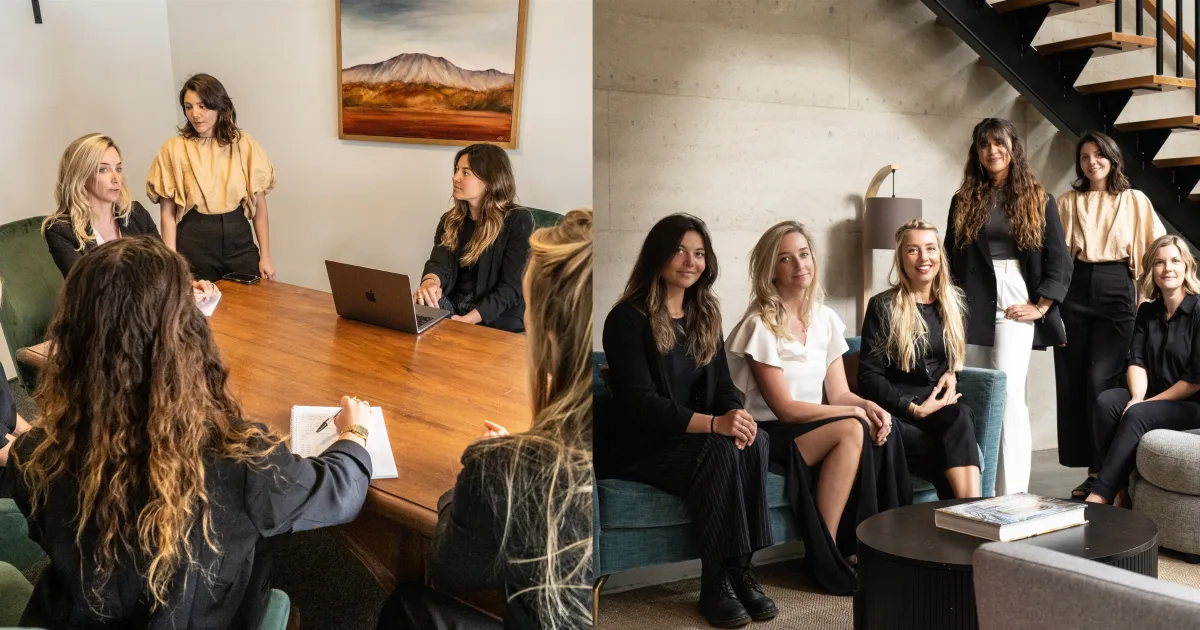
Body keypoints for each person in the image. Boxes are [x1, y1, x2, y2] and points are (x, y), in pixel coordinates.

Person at [10, 236, 372, 628]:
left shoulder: (35, 457)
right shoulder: (239, 459)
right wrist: (354, 432)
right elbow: (339, 492)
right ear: (185, 337)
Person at [378, 209, 594, 629]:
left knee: (407, 605)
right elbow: (440, 261)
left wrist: (480, 472)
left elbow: (448, 569)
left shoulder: (506, 468)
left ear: (548, 334)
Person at [597, 214, 774, 628]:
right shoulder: (626, 319)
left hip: (692, 440)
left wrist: (735, 415)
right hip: (642, 445)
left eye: (699, 253)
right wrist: (713, 425)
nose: (690, 261)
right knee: (718, 450)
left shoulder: (705, 313)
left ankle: (740, 571)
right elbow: (642, 405)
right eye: (679, 250)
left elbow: (725, 386)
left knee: (757, 441)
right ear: (657, 255)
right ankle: (715, 585)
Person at [725, 220, 910, 597]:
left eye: (804, 254)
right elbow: (786, 409)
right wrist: (852, 415)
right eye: (785, 259)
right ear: (771, 270)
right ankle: (823, 556)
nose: (799, 265)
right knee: (852, 428)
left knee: (879, 427)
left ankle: (877, 548)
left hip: (811, 426)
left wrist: (868, 406)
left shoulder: (824, 319)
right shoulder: (760, 325)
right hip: (768, 434)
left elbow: (839, 394)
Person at [944, 117, 1071, 495]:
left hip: (1015, 298)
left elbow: (1059, 260)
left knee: (1009, 393)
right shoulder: (963, 200)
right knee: (976, 391)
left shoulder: (1039, 198)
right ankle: (980, 489)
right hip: (972, 301)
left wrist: (1042, 306)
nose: (992, 151)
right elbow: (949, 258)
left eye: (999, 143)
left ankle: (1013, 492)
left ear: (1013, 147)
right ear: (977, 152)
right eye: (984, 144)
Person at [1054, 130, 1166, 500]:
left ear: (1112, 158)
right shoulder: (1068, 201)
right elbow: (1054, 254)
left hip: (1117, 287)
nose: (1092, 162)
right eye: (1085, 157)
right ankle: (1092, 471)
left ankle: (1108, 472)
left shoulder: (1134, 200)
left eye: (1099, 155)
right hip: (1074, 289)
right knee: (1073, 382)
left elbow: (1153, 251)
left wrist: (1145, 299)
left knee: (1102, 382)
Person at [859, 219, 981, 500]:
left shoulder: (955, 301)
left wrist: (953, 373)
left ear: (940, 254)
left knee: (961, 415)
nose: (924, 257)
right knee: (943, 447)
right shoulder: (883, 305)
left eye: (930, 248)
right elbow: (868, 377)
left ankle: (971, 510)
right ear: (901, 259)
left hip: (939, 411)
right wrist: (914, 409)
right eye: (913, 250)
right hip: (900, 415)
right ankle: (968, 512)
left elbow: (951, 358)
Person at [1086, 234, 1200, 506]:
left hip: (1193, 403)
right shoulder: (1148, 312)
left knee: (1137, 413)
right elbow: (1136, 360)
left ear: (1186, 266)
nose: (1167, 268)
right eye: (1159, 262)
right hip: (1154, 397)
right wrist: (1137, 396)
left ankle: (1099, 495)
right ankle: (1120, 490)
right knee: (1106, 402)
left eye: (1175, 261)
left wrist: (1146, 404)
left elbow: (1194, 381)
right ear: (1152, 269)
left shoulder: (1199, 310)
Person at [42, 133, 216, 299]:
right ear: (80, 175)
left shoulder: (135, 214)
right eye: (103, 169)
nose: (116, 178)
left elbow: (165, 265)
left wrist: (188, 284)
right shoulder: (60, 229)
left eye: (118, 168)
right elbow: (89, 290)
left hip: (147, 309)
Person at [147, 73, 277, 282]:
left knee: (252, 299)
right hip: (194, 241)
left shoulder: (244, 144)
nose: (195, 114)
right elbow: (167, 214)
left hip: (239, 240)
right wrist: (172, 263)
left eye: (202, 106)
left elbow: (260, 207)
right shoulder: (173, 149)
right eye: (188, 107)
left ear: (219, 106)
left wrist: (266, 256)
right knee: (202, 301)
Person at [413, 144, 534, 333]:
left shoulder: (518, 220)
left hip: (495, 316)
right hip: (454, 307)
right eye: (456, 170)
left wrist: (466, 321)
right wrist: (429, 283)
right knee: (421, 300)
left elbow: (510, 288)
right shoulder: (450, 220)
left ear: (490, 180)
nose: (455, 177)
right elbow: (438, 264)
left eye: (466, 172)